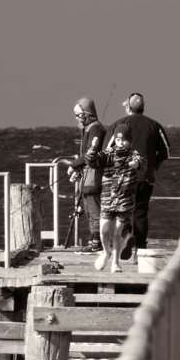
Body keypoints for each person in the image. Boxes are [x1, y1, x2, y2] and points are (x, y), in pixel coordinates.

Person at [103, 93, 171, 258]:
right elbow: (166, 151)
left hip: (123, 178)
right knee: (141, 212)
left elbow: (106, 150)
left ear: (128, 108)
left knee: (123, 210)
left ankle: (126, 236)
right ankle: (140, 248)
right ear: (142, 108)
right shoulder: (155, 125)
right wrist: (152, 166)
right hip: (145, 177)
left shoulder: (119, 124)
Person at [94, 126, 143, 274]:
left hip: (124, 200)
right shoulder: (109, 153)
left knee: (117, 232)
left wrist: (137, 164)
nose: (120, 143)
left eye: (124, 140)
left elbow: (142, 162)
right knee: (103, 230)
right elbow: (93, 161)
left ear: (129, 140)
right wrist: (93, 148)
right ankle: (105, 251)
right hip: (108, 198)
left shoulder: (134, 154)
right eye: (118, 139)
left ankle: (115, 263)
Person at [66, 97, 105, 249]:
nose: (77, 118)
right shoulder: (87, 128)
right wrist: (79, 170)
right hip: (86, 175)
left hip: (94, 176)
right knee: (88, 210)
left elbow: (90, 153)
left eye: (78, 114)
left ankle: (97, 241)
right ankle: (93, 239)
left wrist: (73, 165)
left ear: (86, 113)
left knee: (94, 210)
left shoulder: (95, 128)